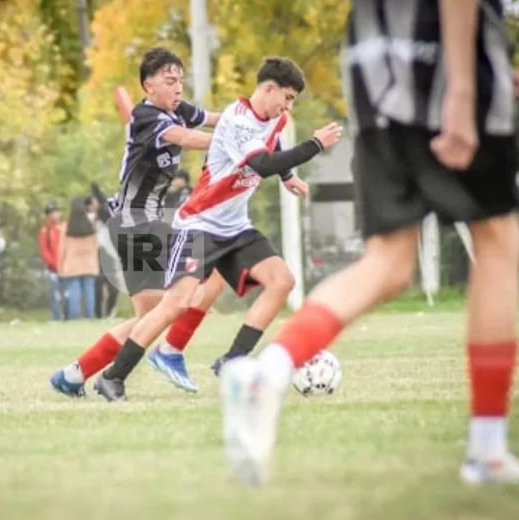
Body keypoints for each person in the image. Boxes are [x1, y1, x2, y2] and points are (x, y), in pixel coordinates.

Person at [220, 0, 519, 486]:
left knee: (389, 261)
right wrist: (463, 90)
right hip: (444, 42)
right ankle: (486, 447)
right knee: (500, 242)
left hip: (372, 50)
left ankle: (265, 375)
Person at [93, 57, 342, 401]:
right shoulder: (238, 121)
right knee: (173, 306)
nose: (288, 106)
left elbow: (274, 144)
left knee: (281, 281)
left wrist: (290, 177)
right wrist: (313, 146)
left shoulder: (275, 117)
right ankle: (113, 377)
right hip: (199, 224)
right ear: (268, 89)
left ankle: (233, 362)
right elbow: (262, 163)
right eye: (286, 97)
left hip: (235, 227)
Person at [49, 47, 223, 397]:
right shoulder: (147, 116)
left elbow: (214, 119)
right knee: (165, 308)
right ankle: (154, 360)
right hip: (135, 224)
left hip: (146, 224)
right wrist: (239, 145)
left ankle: (75, 374)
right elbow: (189, 139)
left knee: (153, 316)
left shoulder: (177, 109)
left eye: (180, 81)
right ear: (148, 85)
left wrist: (252, 119)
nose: (178, 88)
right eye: (169, 81)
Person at [58, 198, 100, 320]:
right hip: (90, 264)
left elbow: (62, 249)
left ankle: (74, 317)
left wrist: (60, 267)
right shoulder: (91, 227)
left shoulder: (66, 227)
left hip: (72, 264)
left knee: (73, 292)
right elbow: (96, 246)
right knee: (89, 291)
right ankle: (89, 315)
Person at [87, 189, 121, 319]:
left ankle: (109, 311)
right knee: (98, 285)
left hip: (110, 253)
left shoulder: (106, 216)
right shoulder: (87, 219)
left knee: (113, 285)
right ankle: (98, 314)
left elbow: (106, 210)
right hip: (96, 252)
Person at [38, 201, 63, 321]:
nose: (55, 215)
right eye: (52, 213)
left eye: (57, 212)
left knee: (67, 294)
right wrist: (53, 264)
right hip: (53, 267)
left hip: (67, 266)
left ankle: (69, 316)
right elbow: (44, 250)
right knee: (55, 294)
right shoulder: (45, 230)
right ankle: (56, 316)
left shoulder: (65, 227)